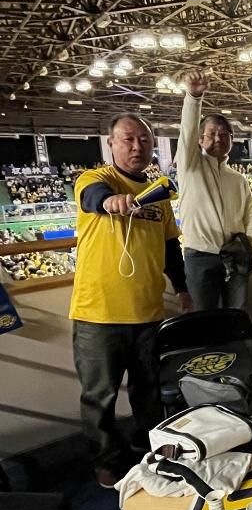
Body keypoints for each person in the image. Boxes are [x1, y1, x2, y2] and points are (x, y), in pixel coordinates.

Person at [69, 113, 192, 486]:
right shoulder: (96, 179)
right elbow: (93, 198)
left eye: (144, 139)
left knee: (149, 392)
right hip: (98, 314)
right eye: (127, 139)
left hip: (149, 313)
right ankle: (106, 460)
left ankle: (149, 448)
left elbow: (170, 247)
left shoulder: (159, 194)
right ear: (111, 143)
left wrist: (182, 287)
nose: (137, 146)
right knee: (99, 396)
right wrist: (111, 202)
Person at [176, 69, 252, 310]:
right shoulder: (190, 166)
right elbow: (186, 132)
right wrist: (194, 98)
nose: (218, 139)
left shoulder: (238, 179)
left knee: (236, 313)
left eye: (224, 134)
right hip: (200, 257)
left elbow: (251, 216)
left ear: (232, 140)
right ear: (200, 139)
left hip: (236, 257)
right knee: (204, 319)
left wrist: (251, 247)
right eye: (212, 134)